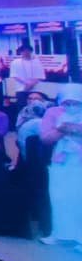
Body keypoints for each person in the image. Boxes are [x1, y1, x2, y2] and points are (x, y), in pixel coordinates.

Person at [38, 84, 82, 248]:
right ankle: (60, 234)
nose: (71, 106)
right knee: (60, 198)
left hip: (79, 161)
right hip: (61, 161)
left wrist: (76, 129)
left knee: (79, 199)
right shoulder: (53, 113)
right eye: (67, 103)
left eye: (75, 102)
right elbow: (45, 138)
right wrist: (62, 129)